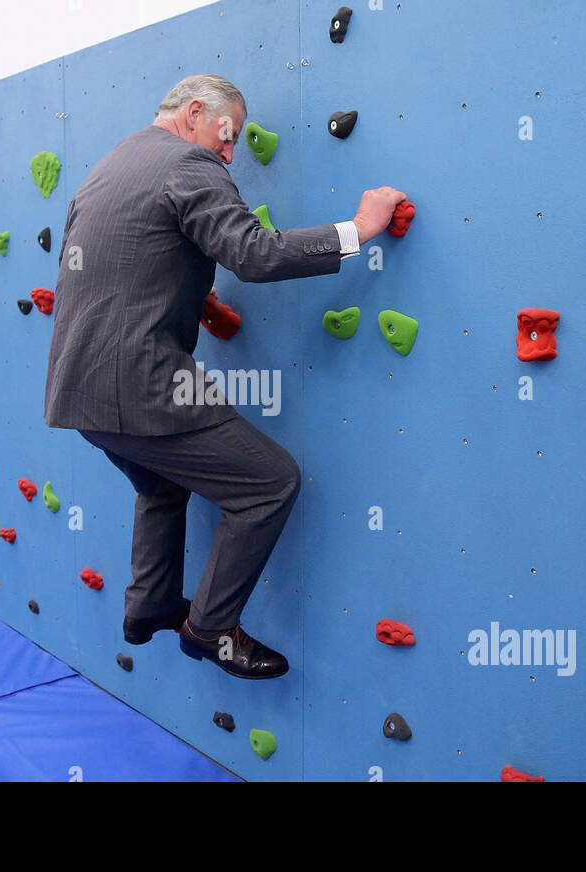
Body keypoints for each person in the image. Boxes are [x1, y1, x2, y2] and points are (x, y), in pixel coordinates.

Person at [43, 73, 405, 680]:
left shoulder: (110, 165)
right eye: (227, 134)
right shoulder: (189, 165)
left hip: (77, 392)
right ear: (193, 113)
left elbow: (112, 268)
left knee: (161, 484)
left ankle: (149, 606)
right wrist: (358, 230)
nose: (231, 153)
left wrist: (190, 296)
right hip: (142, 387)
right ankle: (211, 629)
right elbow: (256, 255)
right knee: (269, 484)